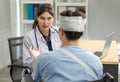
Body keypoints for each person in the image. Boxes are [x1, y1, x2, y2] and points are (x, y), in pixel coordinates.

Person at [30, 10, 103, 82]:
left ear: (61, 32)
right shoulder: (96, 61)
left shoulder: (43, 59)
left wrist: (35, 58)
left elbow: (35, 78)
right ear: (81, 33)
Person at [23, 4, 61, 77]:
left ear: (53, 19)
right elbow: (27, 63)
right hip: (40, 74)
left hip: (58, 71)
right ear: (37, 18)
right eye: (42, 18)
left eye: (49, 18)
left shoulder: (59, 32)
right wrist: (36, 58)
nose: (45, 22)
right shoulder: (29, 37)